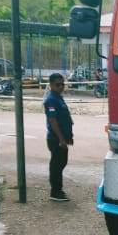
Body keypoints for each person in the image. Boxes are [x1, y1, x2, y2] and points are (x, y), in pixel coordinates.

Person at [44, 71, 73, 202]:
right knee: (57, 164)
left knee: (61, 163)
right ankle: (55, 192)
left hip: (62, 137)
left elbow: (64, 116)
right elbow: (53, 121)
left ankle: (57, 189)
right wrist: (61, 139)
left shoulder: (58, 97)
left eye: (62, 84)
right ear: (51, 85)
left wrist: (68, 136)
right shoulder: (51, 100)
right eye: (57, 84)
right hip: (56, 139)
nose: (61, 87)